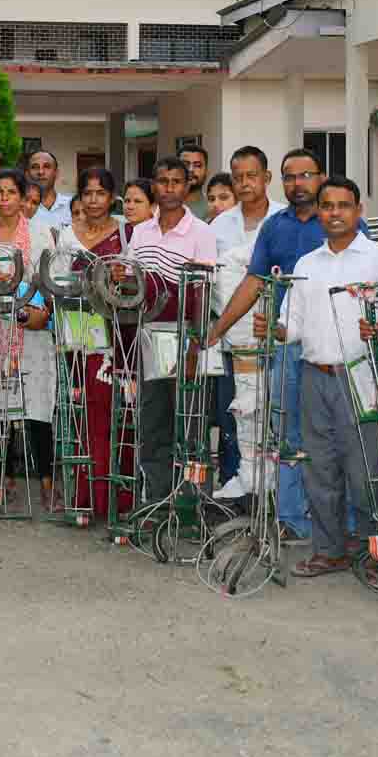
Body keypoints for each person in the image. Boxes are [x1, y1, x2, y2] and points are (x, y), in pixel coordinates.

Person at [208, 148, 358, 540]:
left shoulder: (340, 224)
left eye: (305, 175)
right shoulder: (276, 226)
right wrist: (218, 328)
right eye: (291, 177)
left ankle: (350, 525)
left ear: (321, 176)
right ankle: (292, 519)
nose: (298, 184)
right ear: (282, 181)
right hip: (286, 343)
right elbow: (254, 281)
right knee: (287, 432)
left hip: (336, 347)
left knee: (341, 436)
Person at [264, 176, 378, 577]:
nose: (335, 213)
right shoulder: (307, 264)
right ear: (319, 212)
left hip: (361, 375)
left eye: (344, 205)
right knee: (319, 468)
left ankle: (377, 553)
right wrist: (271, 329)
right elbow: (292, 325)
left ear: (359, 211)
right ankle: (330, 550)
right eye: (328, 206)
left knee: (365, 468)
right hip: (314, 375)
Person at [129, 156, 218, 503]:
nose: (169, 188)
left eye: (176, 181)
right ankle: (157, 501)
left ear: (188, 186)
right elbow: (135, 285)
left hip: (186, 339)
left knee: (191, 425)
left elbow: (203, 292)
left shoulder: (202, 233)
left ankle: (193, 504)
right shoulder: (140, 231)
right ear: (154, 185)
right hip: (150, 334)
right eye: (162, 181)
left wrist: (196, 345)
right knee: (153, 424)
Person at [0, 169, 56, 505]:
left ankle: (48, 484)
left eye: (11, 192)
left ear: (22, 197)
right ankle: (1, 480)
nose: (4, 198)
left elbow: (47, 279)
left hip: (29, 326)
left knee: (36, 406)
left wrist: (17, 282)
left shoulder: (39, 232)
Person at [209, 146, 285, 495]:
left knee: (273, 418)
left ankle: (275, 495)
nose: (244, 183)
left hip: (275, 338)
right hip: (231, 341)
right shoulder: (220, 224)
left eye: (251, 176)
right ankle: (234, 488)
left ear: (267, 178)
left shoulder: (283, 221)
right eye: (237, 177)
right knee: (233, 416)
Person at [55, 167, 127, 517]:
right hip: (77, 329)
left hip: (116, 333)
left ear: (112, 197)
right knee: (80, 409)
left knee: (112, 409)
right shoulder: (67, 234)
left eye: (101, 193)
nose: (94, 200)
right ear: (80, 197)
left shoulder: (127, 233)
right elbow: (55, 281)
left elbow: (135, 284)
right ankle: (84, 496)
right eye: (88, 193)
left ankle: (117, 498)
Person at [26, 149, 72, 227]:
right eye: (35, 167)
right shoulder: (19, 208)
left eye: (47, 166)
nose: (41, 172)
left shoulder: (73, 206)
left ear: (56, 173)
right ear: (27, 174)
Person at [178, 143, 209, 219]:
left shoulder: (213, 207)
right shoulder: (162, 206)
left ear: (206, 171)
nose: (191, 169)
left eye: (197, 165)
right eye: (185, 165)